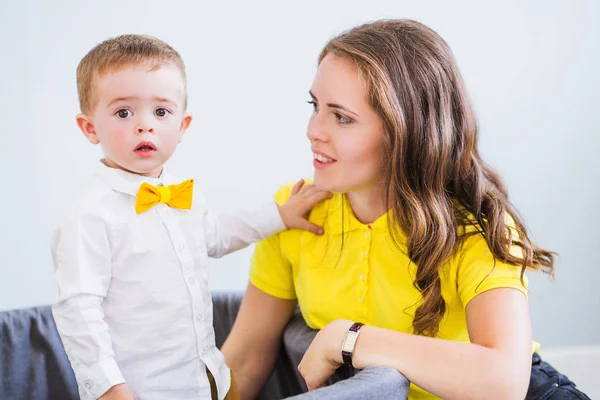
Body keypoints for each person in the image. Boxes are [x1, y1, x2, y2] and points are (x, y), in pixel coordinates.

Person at [221, 19, 590, 399]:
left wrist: (349, 339)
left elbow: (504, 382)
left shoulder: (474, 227)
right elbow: (245, 360)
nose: (314, 129)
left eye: (341, 117)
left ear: (405, 133)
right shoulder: (297, 212)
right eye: (315, 106)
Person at [51, 34, 330, 400]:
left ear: (182, 126)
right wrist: (108, 387)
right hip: (140, 388)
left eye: (161, 112)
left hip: (205, 378)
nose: (144, 125)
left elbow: (216, 236)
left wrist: (279, 215)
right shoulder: (91, 214)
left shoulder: (186, 194)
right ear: (90, 128)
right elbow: (78, 309)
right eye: (124, 112)